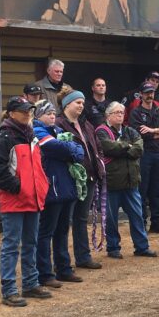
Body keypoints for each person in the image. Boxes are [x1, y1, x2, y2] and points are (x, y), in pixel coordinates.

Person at [0, 96, 51, 307]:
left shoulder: (30, 135)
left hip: (32, 198)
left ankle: (30, 283)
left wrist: (39, 186)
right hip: (16, 200)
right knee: (11, 245)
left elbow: (38, 164)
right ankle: (9, 290)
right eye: (24, 111)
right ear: (12, 113)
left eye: (30, 111)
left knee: (30, 243)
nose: (28, 114)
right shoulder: (6, 137)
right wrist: (19, 187)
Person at [32, 100, 85, 288]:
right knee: (46, 232)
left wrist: (69, 149)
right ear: (38, 116)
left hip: (66, 187)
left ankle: (64, 269)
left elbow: (79, 151)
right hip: (50, 189)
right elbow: (57, 148)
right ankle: (45, 273)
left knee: (62, 230)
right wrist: (69, 149)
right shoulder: (37, 131)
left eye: (54, 113)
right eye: (48, 113)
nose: (52, 116)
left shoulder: (58, 131)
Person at [95, 101, 156, 259]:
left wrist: (122, 147)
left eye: (122, 112)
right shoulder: (101, 131)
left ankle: (142, 247)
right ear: (108, 115)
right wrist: (128, 147)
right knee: (111, 218)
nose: (120, 115)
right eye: (116, 113)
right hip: (112, 183)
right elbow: (108, 148)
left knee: (137, 215)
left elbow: (139, 148)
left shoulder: (130, 130)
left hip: (131, 182)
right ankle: (113, 248)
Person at [56, 86, 106, 270]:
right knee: (64, 221)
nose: (81, 106)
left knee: (81, 218)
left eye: (83, 103)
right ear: (67, 104)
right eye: (78, 102)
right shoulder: (59, 125)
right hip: (70, 179)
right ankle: (61, 262)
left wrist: (99, 163)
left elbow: (97, 147)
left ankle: (83, 257)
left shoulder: (86, 125)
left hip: (89, 178)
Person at [130, 81, 159, 234]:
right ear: (141, 94)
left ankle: (156, 223)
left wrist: (154, 130)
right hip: (144, 154)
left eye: (152, 92)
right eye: (147, 92)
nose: (150, 95)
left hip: (158, 154)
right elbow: (140, 134)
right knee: (142, 189)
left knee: (156, 190)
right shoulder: (136, 112)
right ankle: (141, 222)